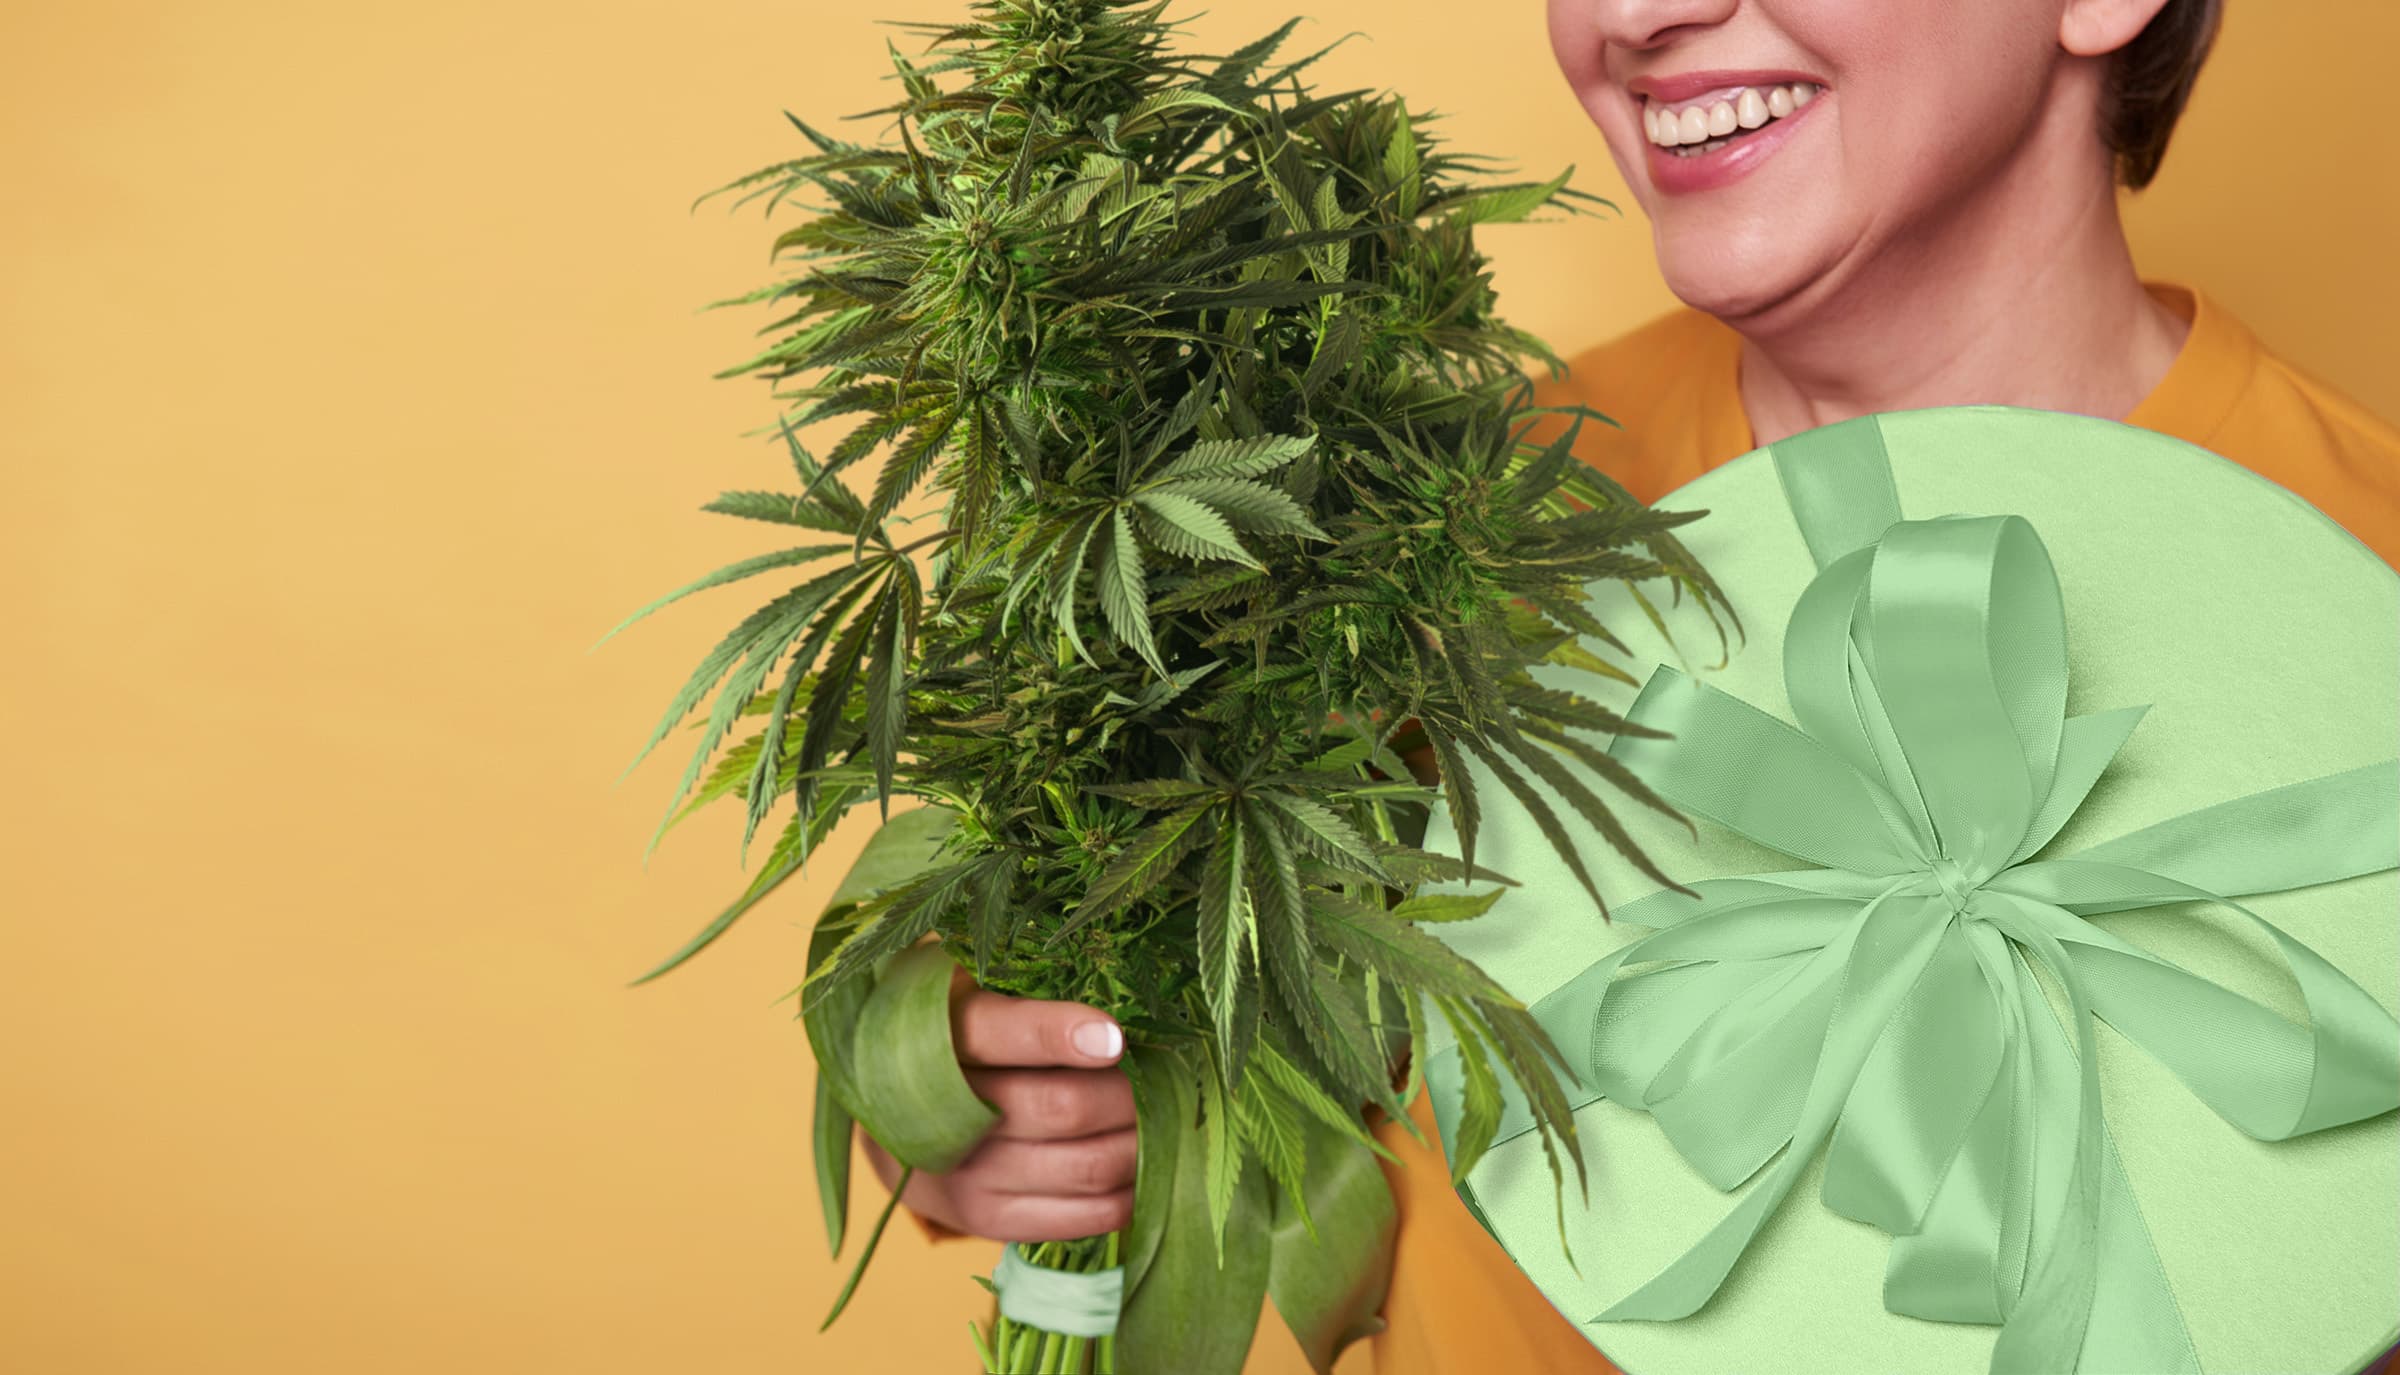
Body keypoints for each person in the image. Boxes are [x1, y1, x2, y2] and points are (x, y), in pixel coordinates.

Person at [863, 0, 2400, 1370]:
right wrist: (990, 1106)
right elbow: (1098, 980)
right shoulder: (1432, 517)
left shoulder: (2366, 579)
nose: (1642, 12)